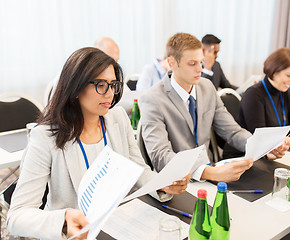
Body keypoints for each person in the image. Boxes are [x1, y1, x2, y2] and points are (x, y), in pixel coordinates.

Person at [7, 48, 191, 240]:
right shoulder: (45, 137)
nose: (110, 93)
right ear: (75, 88)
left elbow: (138, 169)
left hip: (121, 223)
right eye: (101, 85)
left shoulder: (117, 119)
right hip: (80, 232)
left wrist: (162, 184)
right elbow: (17, 216)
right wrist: (64, 219)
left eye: (113, 85)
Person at [139, 33, 288, 183]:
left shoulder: (207, 87)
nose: (200, 69)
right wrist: (209, 172)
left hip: (211, 173)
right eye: (192, 63)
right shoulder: (152, 99)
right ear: (171, 63)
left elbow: (232, 131)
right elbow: (160, 156)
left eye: (201, 62)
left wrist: (263, 146)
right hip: (178, 182)